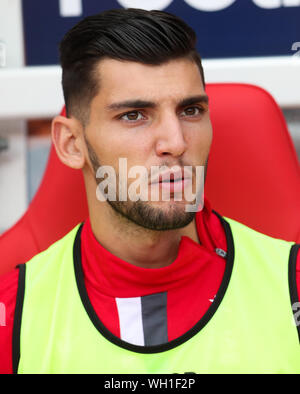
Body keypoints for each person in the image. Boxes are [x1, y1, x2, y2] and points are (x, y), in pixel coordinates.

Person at [0, 8, 300, 374]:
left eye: (190, 110)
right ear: (72, 144)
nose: (176, 142)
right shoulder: (11, 315)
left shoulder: (294, 286)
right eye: (134, 115)